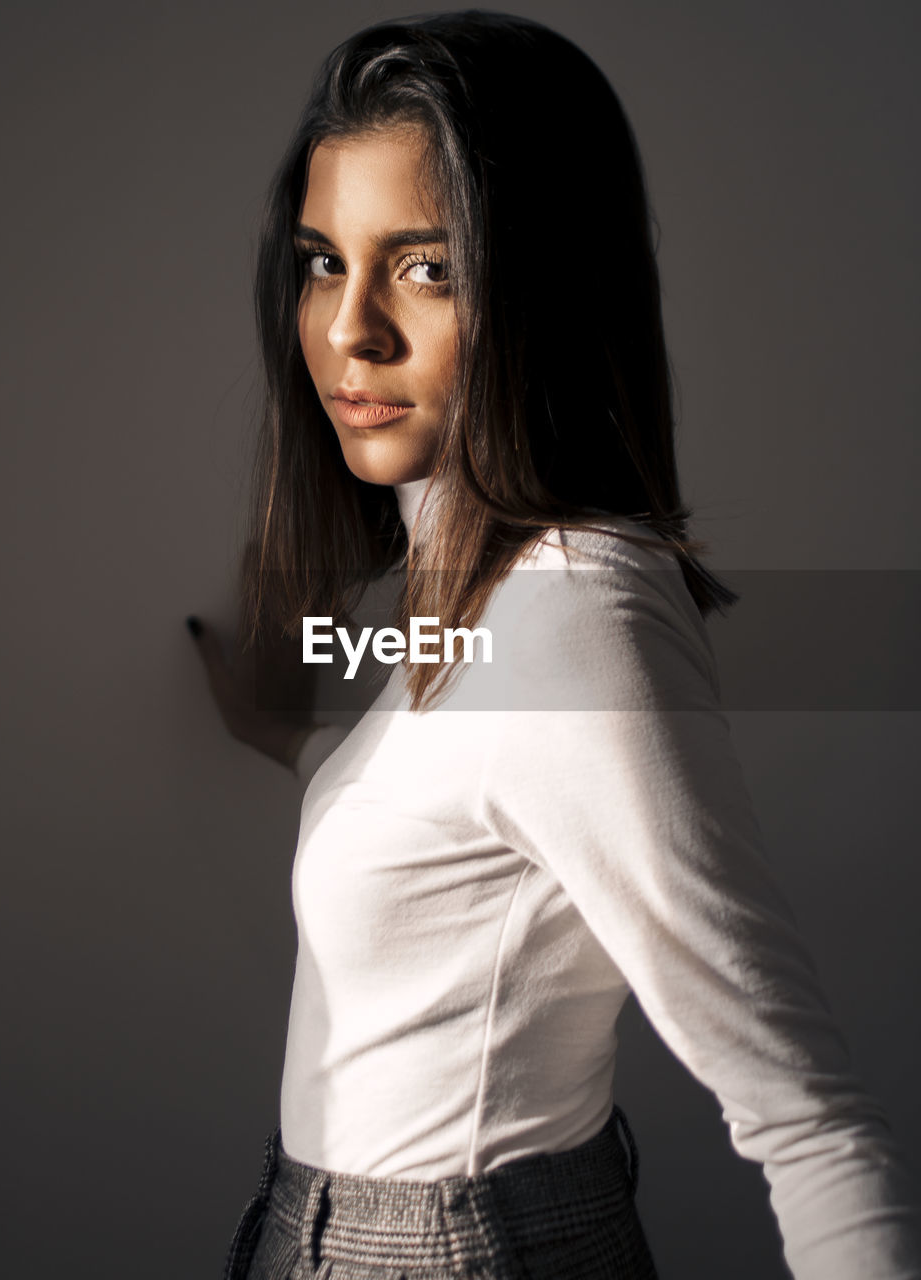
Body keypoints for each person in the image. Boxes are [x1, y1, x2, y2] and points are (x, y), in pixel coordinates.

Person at [186, 11, 920, 1279]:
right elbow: (478, 825)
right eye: (322, 261)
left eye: (427, 268)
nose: (349, 329)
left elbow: (809, 1119)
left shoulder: (573, 612)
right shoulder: (475, 573)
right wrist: (301, 739)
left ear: (540, 290)